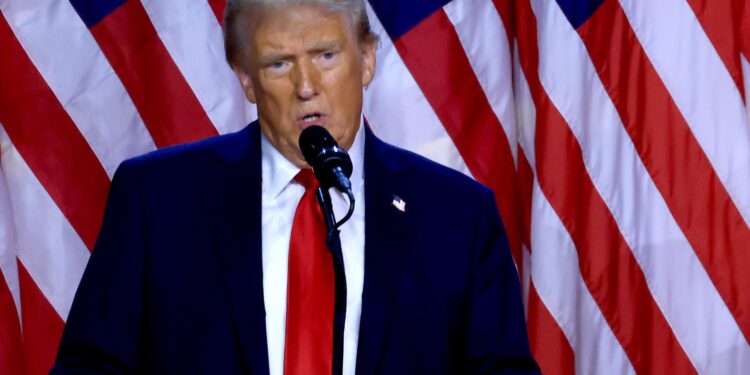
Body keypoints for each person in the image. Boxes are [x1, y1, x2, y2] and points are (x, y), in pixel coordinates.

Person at [51, 0, 540, 374]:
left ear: (367, 59)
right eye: (278, 63)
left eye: (326, 55)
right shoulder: (157, 201)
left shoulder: (457, 217)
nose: (306, 85)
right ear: (245, 78)